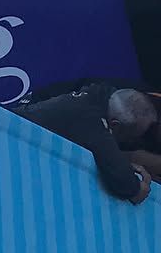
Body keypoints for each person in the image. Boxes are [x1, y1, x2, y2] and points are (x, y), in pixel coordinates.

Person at [17, 81, 157, 202]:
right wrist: (138, 189)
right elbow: (126, 184)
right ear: (115, 125)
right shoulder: (91, 122)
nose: (131, 141)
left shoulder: (101, 94)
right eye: (130, 136)